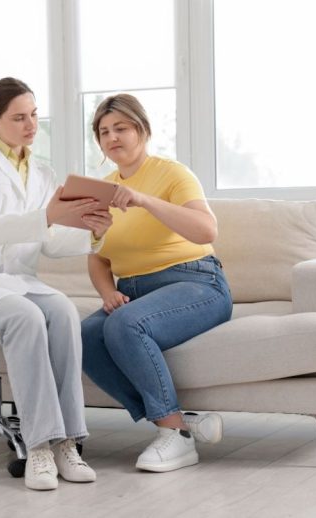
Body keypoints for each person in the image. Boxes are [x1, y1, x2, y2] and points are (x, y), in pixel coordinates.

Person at [0, 77, 112, 491]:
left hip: (15, 279)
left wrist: (93, 234)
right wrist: (46, 216)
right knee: (27, 317)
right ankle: (40, 446)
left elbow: (49, 242)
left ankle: (69, 440)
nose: (30, 124)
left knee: (64, 311)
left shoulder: (43, 172)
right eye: (18, 117)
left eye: (33, 115)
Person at [81, 94, 233, 473]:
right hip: (133, 290)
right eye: (103, 132)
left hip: (197, 282)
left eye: (121, 128)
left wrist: (145, 201)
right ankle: (177, 424)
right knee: (85, 335)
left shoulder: (172, 174)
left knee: (127, 324)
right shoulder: (102, 189)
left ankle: (175, 439)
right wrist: (107, 292)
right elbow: (98, 257)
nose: (112, 137)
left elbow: (206, 229)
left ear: (143, 131)